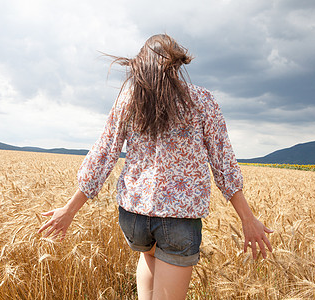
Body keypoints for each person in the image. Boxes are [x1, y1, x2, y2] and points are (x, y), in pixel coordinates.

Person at [38, 34, 273, 300]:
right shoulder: (202, 101)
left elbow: (103, 155)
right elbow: (223, 163)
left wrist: (69, 210)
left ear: (142, 63)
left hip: (134, 220)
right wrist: (247, 218)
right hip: (178, 220)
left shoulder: (128, 100)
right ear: (176, 66)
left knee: (149, 255)